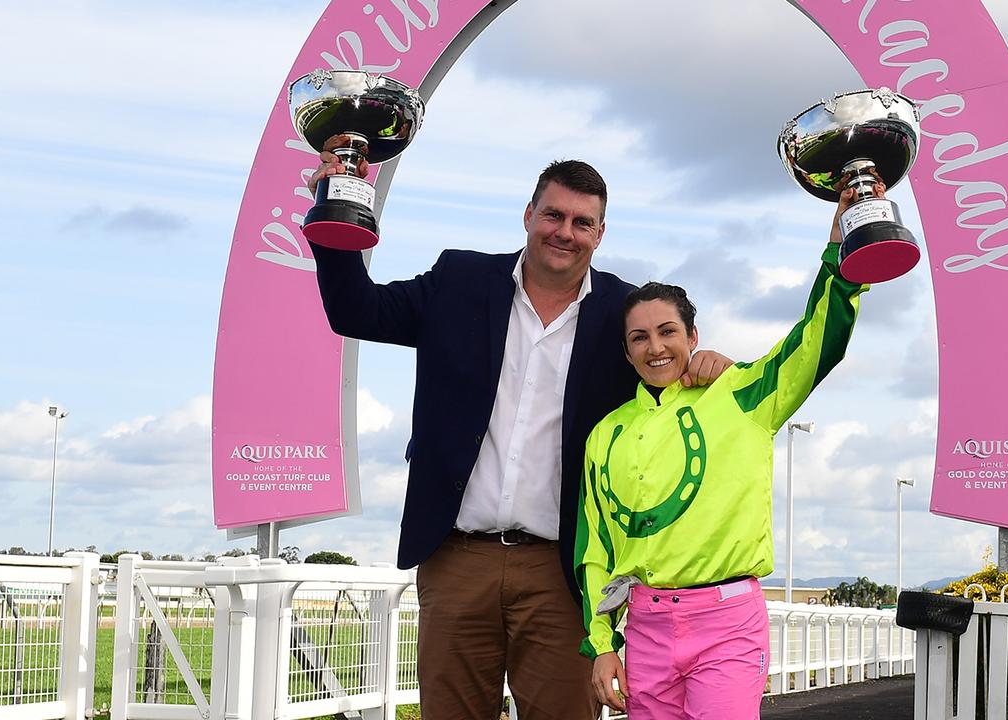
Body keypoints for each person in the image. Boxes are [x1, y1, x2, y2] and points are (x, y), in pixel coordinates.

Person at [304, 148, 731, 720]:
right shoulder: (458, 280)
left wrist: (706, 365)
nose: (565, 232)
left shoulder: (620, 315)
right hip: (456, 557)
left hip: (562, 569)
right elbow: (357, 311)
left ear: (600, 234)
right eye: (553, 215)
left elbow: (665, 368)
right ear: (528, 213)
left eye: (582, 223)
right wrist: (335, 213)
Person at [575, 181, 873, 718]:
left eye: (668, 331)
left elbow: (814, 342)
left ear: (693, 335)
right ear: (626, 351)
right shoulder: (605, 434)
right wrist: (602, 646)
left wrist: (841, 252)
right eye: (639, 338)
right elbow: (595, 554)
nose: (655, 347)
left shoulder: (741, 394)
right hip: (643, 627)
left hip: (728, 621)